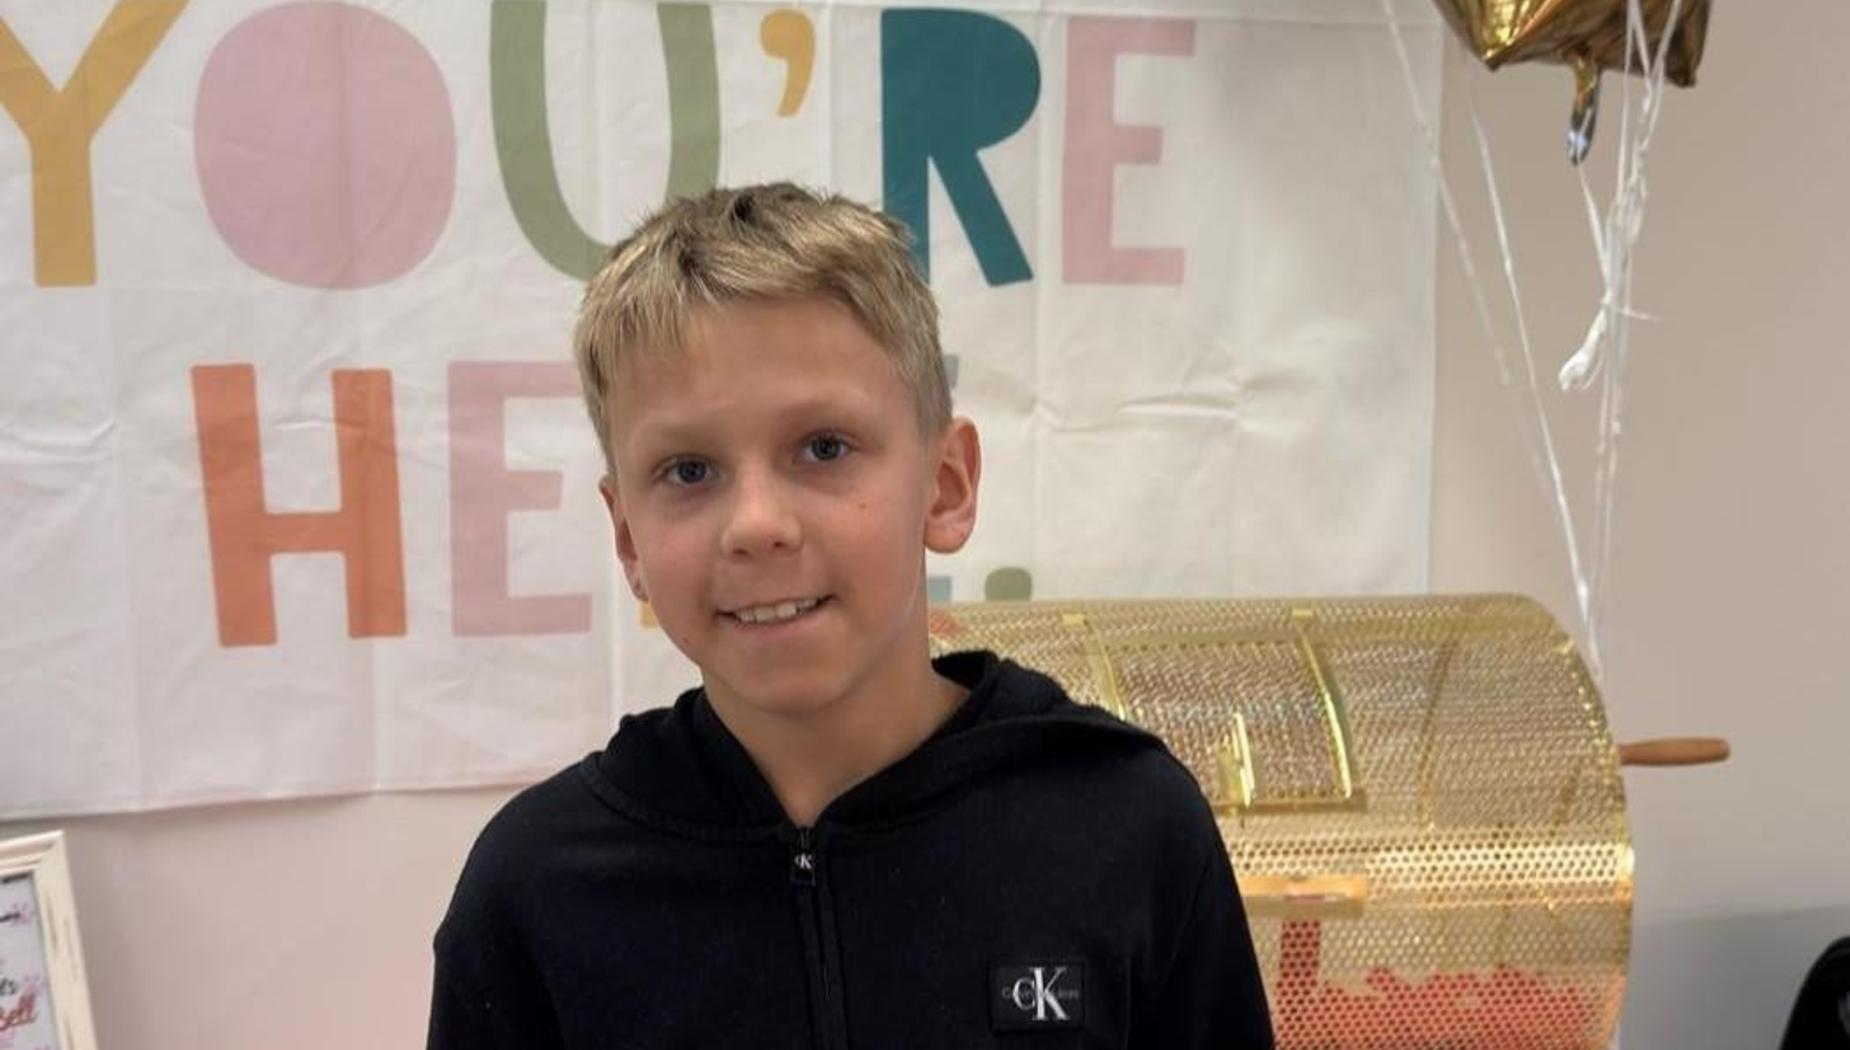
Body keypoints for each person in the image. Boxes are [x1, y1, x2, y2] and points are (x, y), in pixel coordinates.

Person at [427, 182, 1274, 1049]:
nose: (757, 525)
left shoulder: (1127, 825)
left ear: (945, 487)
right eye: (688, 471)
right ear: (627, 538)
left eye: (824, 448)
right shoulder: (535, 890)